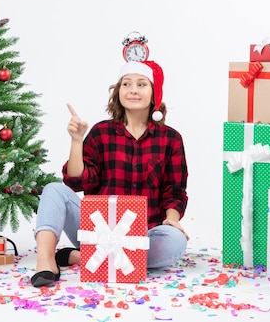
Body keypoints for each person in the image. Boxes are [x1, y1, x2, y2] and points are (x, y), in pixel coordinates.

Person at [30, 60, 189, 288]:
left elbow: (174, 191)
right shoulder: (100, 132)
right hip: (96, 232)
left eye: (141, 84)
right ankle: (45, 262)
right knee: (54, 189)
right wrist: (77, 141)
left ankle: (79, 257)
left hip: (142, 235)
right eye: (126, 84)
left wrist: (172, 220)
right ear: (118, 92)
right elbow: (76, 181)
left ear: (155, 93)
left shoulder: (171, 139)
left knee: (175, 242)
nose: (133, 90)